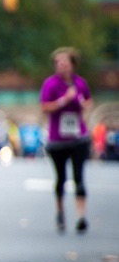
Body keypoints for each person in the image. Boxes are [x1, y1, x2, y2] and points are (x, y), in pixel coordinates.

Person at [40, 47, 93, 232]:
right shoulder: (51, 84)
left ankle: (81, 216)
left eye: (65, 62)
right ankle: (60, 212)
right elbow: (44, 107)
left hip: (78, 137)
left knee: (79, 177)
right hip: (57, 139)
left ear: (72, 65)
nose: (61, 66)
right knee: (61, 178)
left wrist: (81, 103)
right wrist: (63, 100)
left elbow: (88, 102)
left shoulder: (80, 83)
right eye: (58, 63)